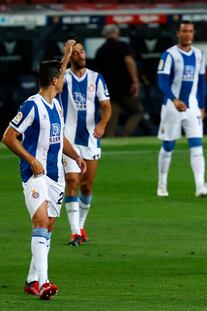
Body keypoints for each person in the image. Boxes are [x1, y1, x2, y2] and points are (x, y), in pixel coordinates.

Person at [2, 59, 86, 299]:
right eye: (62, 76)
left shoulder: (57, 105)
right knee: (40, 222)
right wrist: (31, 160)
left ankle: (31, 280)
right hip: (34, 174)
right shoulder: (31, 106)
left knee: (48, 226)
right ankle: (44, 282)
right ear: (55, 80)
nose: (65, 80)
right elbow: (8, 137)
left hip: (55, 176)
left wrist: (76, 156)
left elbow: (60, 138)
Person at [60, 39, 112, 246]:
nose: (81, 56)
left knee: (87, 186)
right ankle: (74, 232)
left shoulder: (96, 78)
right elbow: (54, 77)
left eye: (82, 52)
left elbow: (106, 106)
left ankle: (80, 225)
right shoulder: (63, 78)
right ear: (70, 57)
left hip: (90, 139)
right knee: (72, 181)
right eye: (75, 53)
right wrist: (65, 53)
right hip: (69, 139)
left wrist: (102, 123)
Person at [156, 20, 207, 197]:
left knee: (197, 144)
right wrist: (173, 99)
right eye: (184, 31)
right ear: (178, 33)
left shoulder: (199, 55)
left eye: (190, 31)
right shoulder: (169, 55)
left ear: (193, 33)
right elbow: (162, 81)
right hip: (172, 107)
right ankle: (162, 184)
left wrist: (202, 106)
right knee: (168, 145)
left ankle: (200, 187)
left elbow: (202, 81)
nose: (187, 34)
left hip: (192, 107)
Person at [95, 24, 143, 137]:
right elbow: (129, 62)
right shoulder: (123, 46)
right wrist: (135, 81)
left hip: (109, 89)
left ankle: (111, 140)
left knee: (111, 116)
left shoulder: (100, 50)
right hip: (126, 87)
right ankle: (125, 133)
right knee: (138, 110)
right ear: (117, 33)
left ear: (104, 35)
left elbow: (98, 73)